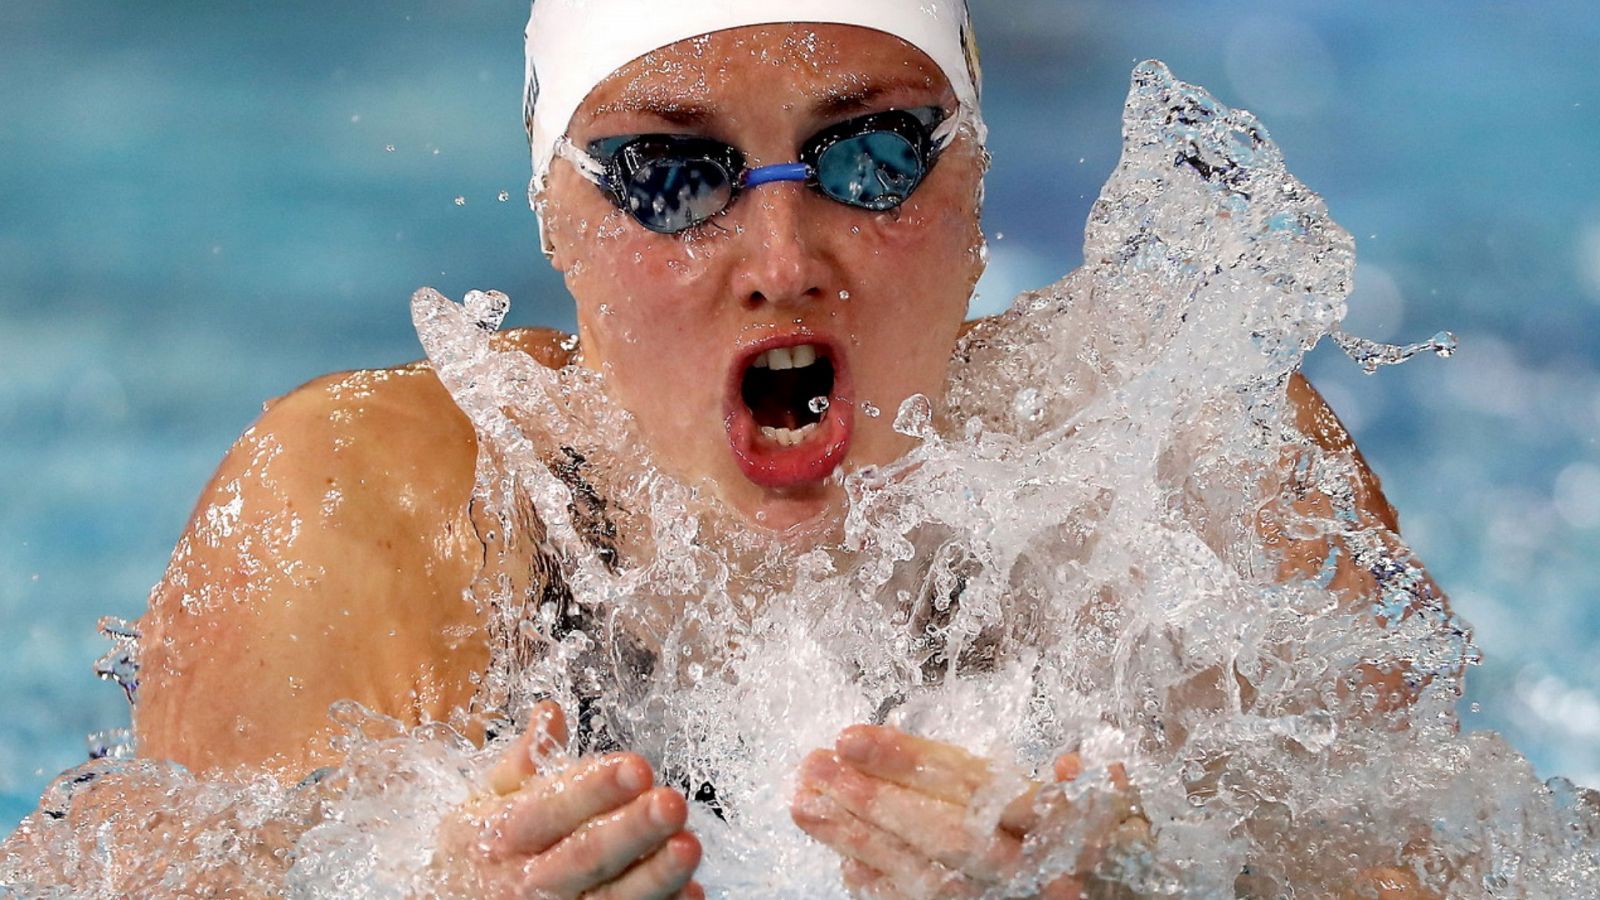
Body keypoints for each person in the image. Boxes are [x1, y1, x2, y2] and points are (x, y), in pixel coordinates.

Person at [21, 2, 1438, 897]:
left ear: (981, 184)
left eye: (872, 157)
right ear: (553, 222)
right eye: (669, 174)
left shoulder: (1180, 464)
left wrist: (1167, 887)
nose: (781, 259)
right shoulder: (373, 511)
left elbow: (1482, 859)